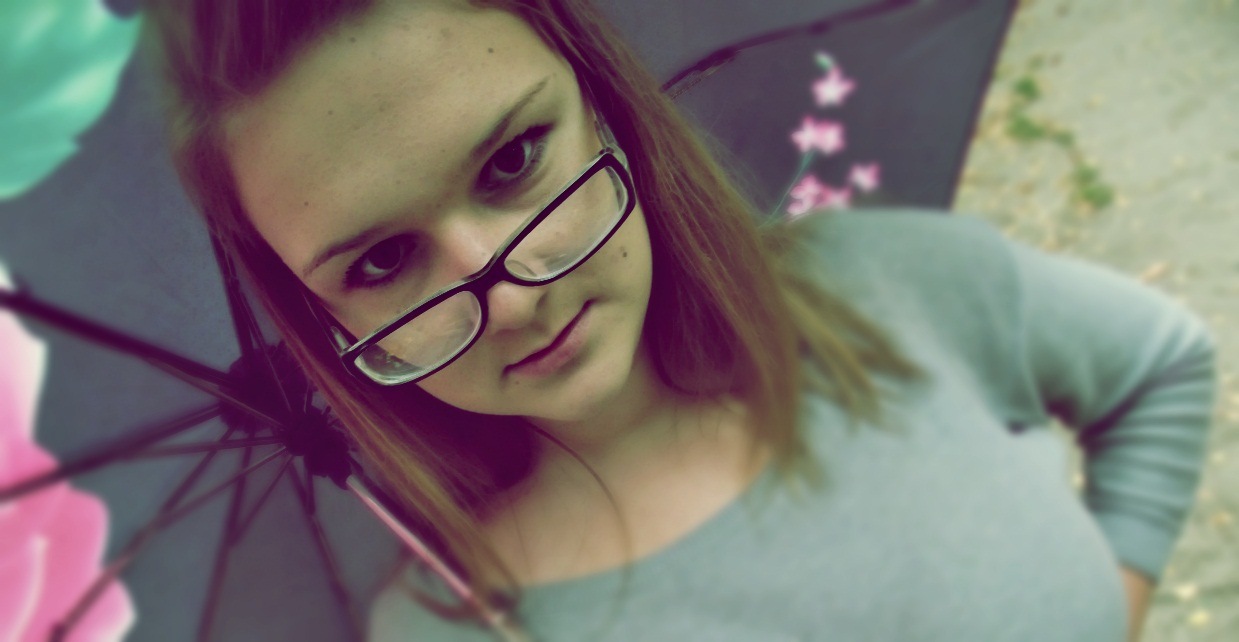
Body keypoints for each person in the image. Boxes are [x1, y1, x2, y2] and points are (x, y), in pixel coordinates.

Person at [145, 0, 1217, 640]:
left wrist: (1114, 597)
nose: (510, 293)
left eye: (513, 161)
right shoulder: (453, 629)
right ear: (322, 318)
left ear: (600, 101)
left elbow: (1162, 365)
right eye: (382, 261)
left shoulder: (882, 285)